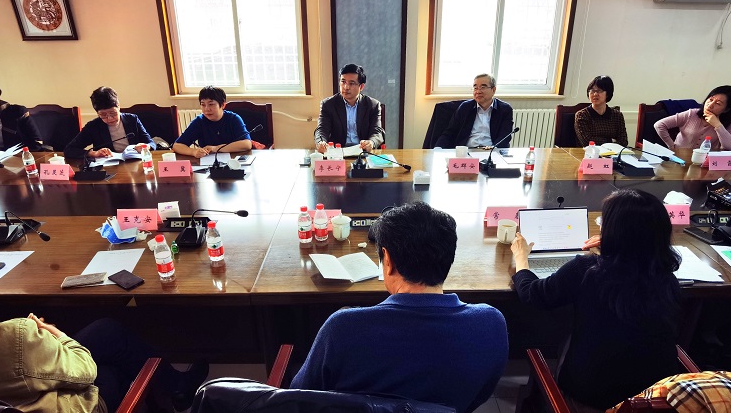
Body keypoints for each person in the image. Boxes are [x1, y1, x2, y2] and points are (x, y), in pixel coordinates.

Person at [291, 201, 508, 412]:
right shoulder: (491, 324)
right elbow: (479, 395)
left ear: (388, 261)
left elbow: (297, 398)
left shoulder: (343, 329)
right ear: (449, 256)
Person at [511, 189, 682, 410]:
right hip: (654, 398)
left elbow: (533, 294)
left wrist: (521, 258)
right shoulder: (667, 279)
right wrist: (615, 245)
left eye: (604, 222)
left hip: (590, 398)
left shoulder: (587, 270)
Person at [0, 268, 207, 412]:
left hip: (15, 399)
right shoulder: (14, 337)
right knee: (109, 357)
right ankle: (173, 389)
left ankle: (173, 388)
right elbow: (85, 370)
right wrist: (55, 337)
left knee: (105, 334)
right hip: (71, 405)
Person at [64, 86, 155, 160]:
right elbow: (69, 149)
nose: (110, 119)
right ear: (97, 113)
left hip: (134, 163)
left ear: (118, 106)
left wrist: (146, 146)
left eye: (113, 113)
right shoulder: (93, 126)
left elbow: (151, 143)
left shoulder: (132, 119)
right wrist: (93, 153)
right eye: (103, 115)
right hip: (109, 167)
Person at [313, 64, 384, 153]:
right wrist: (321, 142)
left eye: (351, 83)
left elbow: (377, 132)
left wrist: (371, 142)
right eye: (343, 82)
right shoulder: (328, 104)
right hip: (337, 152)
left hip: (362, 152)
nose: (346, 87)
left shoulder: (372, 105)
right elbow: (322, 129)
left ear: (361, 86)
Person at [435, 73, 513, 148]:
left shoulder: (504, 109)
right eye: (475, 88)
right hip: (467, 150)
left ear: (493, 90)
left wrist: (492, 150)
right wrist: (438, 148)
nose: (478, 92)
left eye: (483, 87)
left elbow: (505, 137)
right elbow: (450, 132)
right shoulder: (465, 107)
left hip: (491, 151)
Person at [173, 86, 252, 158]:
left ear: (223, 105)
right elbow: (177, 145)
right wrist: (193, 152)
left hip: (233, 161)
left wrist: (216, 148)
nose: (207, 109)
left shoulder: (234, 119)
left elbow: (247, 144)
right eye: (203, 105)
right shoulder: (199, 122)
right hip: (208, 163)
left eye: (211, 104)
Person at [654, 85, 731, 151]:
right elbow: (659, 125)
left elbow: (730, 147)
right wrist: (672, 147)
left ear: (726, 109)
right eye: (710, 99)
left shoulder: (729, 121)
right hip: (680, 158)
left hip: (706, 162)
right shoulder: (691, 114)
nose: (710, 105)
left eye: (718, 103)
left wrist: (717, 125)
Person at [574, 75, 628, 147]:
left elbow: (624, 141)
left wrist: (599, 140)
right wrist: (611, 141)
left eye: (599, 91)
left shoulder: (617, 115)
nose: (595, 94)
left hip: (613, 153)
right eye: (592, 90)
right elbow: (587, 141)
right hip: (589, 152)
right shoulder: (582, 115)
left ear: (608, 94)